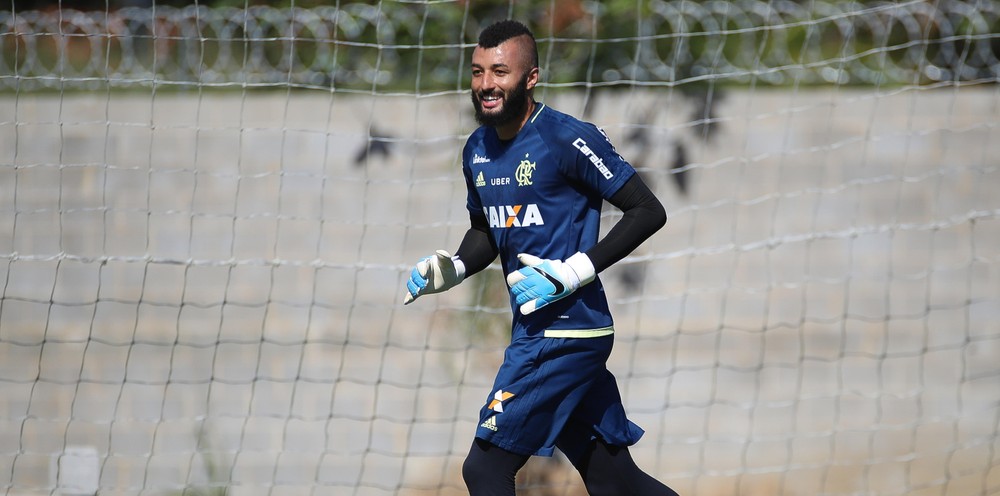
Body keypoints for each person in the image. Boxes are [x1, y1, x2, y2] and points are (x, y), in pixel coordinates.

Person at [402, 19, 678, 496]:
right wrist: (455, 266)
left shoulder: (568, 138)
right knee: (614, 480)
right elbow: (487, 228)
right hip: (536, 328)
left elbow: (648, 210)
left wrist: (573, 271)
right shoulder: (477, 150)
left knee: (484, 470)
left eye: (500, 72)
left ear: (530, 78)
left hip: (565, 332)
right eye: (477, 71)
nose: (487, 84)